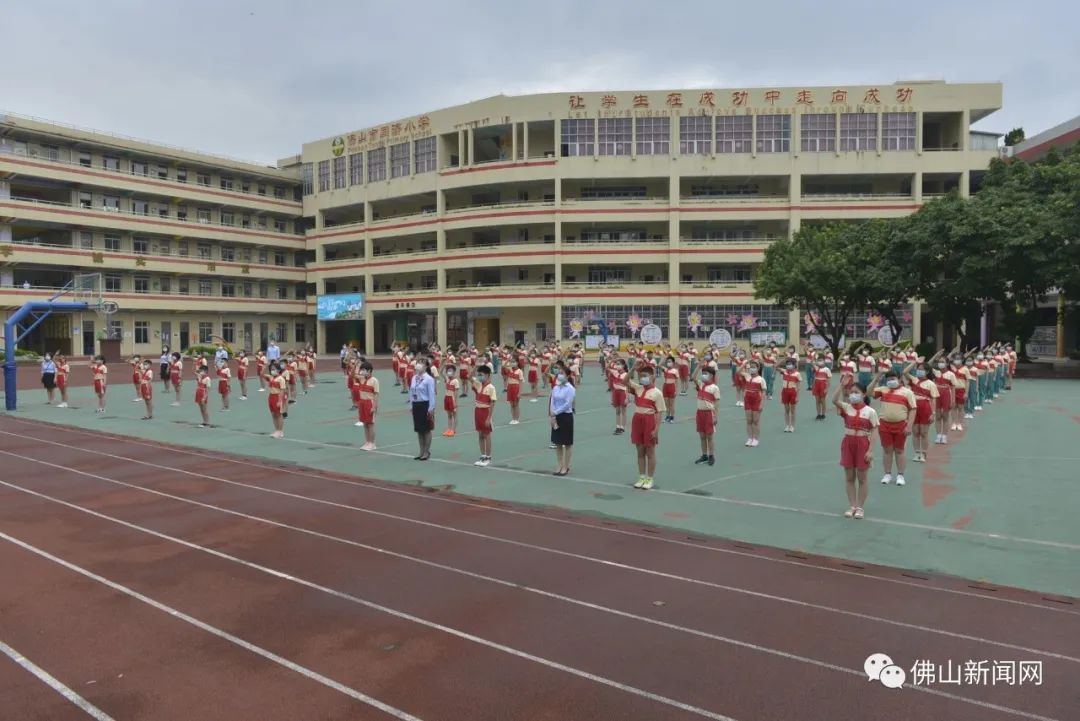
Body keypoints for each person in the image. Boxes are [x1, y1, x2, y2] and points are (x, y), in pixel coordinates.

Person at [832, 381, 879, 519]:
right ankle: (852, 506)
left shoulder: (870, 411)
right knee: (849, 477)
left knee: (862, 478)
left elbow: (875, 430)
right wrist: (841, 385)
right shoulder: (847, 407)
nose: (853, 395)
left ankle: (860, 507)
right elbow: (834, 400)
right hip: (848, 442)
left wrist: (870, 450)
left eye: (856, 392)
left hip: (863, 443)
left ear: (864, 394)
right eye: (851, 392)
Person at [871, 369, 916, 486]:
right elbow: (868, 392)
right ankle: (887, 474)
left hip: (901, 425)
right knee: (887, 451)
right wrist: (877, 377)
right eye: (889, 379)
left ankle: (900, 475)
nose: (891, 381)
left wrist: (909, 426)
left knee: (900, 450)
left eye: (893, 379)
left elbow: (913, 410)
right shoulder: (883, 390)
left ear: (899, 379)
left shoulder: (907, 392)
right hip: (884, 424)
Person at [627, 364, 665, 490]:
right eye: (641, 376)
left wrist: (656, 429)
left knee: (650, 452)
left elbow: (659, 412)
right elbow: (624, 381)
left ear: (652, 377)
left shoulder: (657, 393)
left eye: (645, 376)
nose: (642, 378)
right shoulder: (638, 388)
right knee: (640, 451)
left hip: (649, 421)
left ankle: (650, 478)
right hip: (637, 420)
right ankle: (642, 477)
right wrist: (632, 369)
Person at [905, 361, 939, 463]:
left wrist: (933, 414)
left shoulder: (931, 384)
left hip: (925, 407)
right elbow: (905, 372)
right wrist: (915, 362)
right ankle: (917, 453)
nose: (919, 371)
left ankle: (923, 453)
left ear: (927, 371)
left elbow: (933, 399)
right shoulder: (914, 380)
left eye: (921, 369)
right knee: (915, 432)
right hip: (914, 408)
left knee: (924, 433)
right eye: (918, 369)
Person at [549, 369, 576, 476]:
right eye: (559, 373)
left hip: (565, 416)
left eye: (562, 373)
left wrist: (556, 411)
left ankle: (566, 466)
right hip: (556, 415)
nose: (560, 375)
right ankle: (559, 465)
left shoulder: (570, 388)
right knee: (558, 442)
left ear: (568, 375)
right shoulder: (555, 387)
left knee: (567, 443)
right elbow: (552, 400)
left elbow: (567, 404)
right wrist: (552, 413)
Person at [470, 364, 498, 467]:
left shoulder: (491, 388)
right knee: (480, 434)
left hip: (485, 411)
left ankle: (488, 457)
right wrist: (475, 368)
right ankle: (483, 455)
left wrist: (489, 417)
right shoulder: (478, 384)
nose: (479, 376)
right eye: (478, 374)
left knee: (487, 434)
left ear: (487, 375)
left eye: (481, 375)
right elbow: (469, 377)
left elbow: (492, 403)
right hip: (477, 411)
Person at [693, 366, 721, 466]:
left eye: (706, 373)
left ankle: (711, 456)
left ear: (712, 375)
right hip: (699, 413)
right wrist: (698, 366)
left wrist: (716, 416)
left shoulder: (714, 388)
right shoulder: (700, 384)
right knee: (702, 436)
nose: (703, 375)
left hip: (709, 413)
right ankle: (704, 455)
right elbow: (693, 377)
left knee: (709, 436)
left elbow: (717, 403)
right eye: (703, 373)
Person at [410, 357, 436, 460]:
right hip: (416, 404)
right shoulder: (414, 377)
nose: (419, 365)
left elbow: (431, 394)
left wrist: (431, 408)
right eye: (418, 363)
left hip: (425, 404)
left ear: (426, 366)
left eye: (421, 363)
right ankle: (421, 451)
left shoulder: (429, 379)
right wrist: (411, 404)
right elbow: (411, 391)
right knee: (419, 430)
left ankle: (426, 451)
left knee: (426, 429)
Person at [741, 361, 767, 447]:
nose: (752, 369)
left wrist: (761, 404)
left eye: (754, 367)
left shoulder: (761, 379)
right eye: (751, 367)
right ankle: (750, 438)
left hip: (756, 401)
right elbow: (738, 372)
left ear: (758, 368)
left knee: (755, 421)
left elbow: (763, 393)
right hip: (747, 400)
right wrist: (745, 364)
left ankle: (755, 439)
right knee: (749, 420)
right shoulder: (747, 376)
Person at [355, 361, 380, 451]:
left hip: (370, 403)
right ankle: (367, 442)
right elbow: (353, 375)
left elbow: (376, 395)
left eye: (364, 370)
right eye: (361, 370)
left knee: (370, 424)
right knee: (365, 423)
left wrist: (374, 407)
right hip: (362, 403)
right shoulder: (361, 378)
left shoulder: (374, 381)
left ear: (369, 371)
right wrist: (356, 366)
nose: (362, 371)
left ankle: (372, 443)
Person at [266, 360, 288, 439]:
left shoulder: (281, 379)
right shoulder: (271, 377)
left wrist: (279, 400)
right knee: (273, 415)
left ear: (278, 370)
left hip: (277, 396)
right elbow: (261, 375)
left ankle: (280, 431)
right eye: (271, 369)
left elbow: (282, 390)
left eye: (274, 369)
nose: (272, 370)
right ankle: (276, 430)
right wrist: (266, 366)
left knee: (279, 414)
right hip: (271, 396)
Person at [780, 357, 802, 433]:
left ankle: (792, 426)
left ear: (794, 365)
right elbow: (775, 366)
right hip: (785, 391)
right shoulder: (784, 371)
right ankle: (787, 425)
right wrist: (783, 360)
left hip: (792, 392)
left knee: (792, 410)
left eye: (790, 364)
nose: (788, 366)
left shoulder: (797, 374)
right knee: (786, 410)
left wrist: (797, 397)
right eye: (787, 364)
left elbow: (798, 387)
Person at [609, 357, 630, 435]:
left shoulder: (626, 374)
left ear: (623, 365)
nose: (617, 366)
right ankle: (618, 426)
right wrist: (612, 360)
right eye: (616, 364)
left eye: (619, 364)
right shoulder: (615, 372)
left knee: (623, 411)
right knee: (617, 411)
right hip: (616, 392)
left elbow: (627, 387)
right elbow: (607, 367)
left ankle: (622, 427)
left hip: (623, 392)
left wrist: (627, 398)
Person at [811, 356, 832, 420]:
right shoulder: (816, 368)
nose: (820, 362)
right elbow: (812, 363)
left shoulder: (827, 369)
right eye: (819, 360)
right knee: (817, 400)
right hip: (816, 385)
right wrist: (813, 385)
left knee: (822, 400)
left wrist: (827, 388)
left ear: (824, 361)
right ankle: (818, 414)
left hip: (823, 385)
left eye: (821, 360)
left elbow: (829, 380)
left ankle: (823, 414)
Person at [442, 363, 460, 437]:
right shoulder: (447, 379)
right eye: (448, 370)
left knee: (454, 415)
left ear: (454, 371)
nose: (449, 372)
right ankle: (449, 429)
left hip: (452, 399)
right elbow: (440, 372)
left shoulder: (455, 381)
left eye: (451, 370)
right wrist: (444, 365)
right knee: (449, 415)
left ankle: (453, 430)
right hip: (446, 398)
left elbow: (456, 393)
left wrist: (455, 402)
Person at [505, 358, 523, 425]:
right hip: (510, 387)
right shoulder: (509, 369)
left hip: (516, 387)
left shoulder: (519, 371)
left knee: (516, 404)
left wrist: (519, 392)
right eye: (511, 362)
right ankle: (513, 419)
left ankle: (517, 419)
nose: (512, 363)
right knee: (511, 404)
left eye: (514, 362)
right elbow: (503, 366)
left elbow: (521, 382)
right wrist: (508, 360)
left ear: (517, 362)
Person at [661, 356, 678, 423]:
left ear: (673, 363)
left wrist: (676, 390)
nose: (668, 363)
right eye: (667, 362)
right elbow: (659, 365)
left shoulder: (675, 371)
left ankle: (672, 417)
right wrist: (664, 358)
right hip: (665, 386)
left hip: (672, 387)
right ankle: (667, 416)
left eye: (670, 362)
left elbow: (676, 381)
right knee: (666, 404)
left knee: (671, 404)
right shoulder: (665, 369)